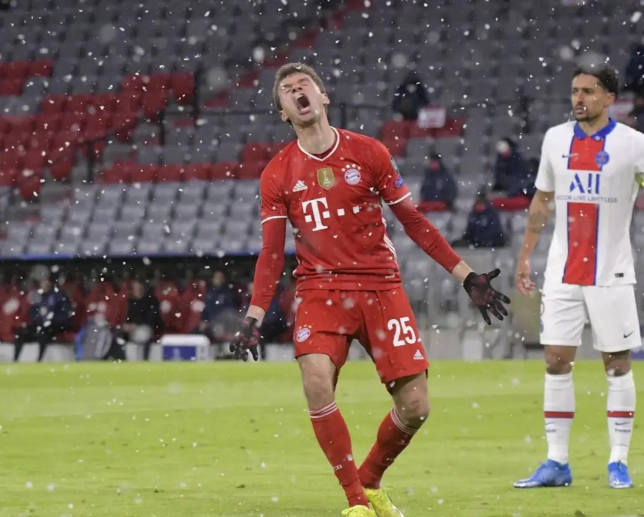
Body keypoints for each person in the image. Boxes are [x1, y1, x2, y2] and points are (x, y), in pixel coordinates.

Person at [229, 62, 510, 517]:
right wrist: (254, 315)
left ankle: (371, 480)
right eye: (288, 90)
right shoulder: (277, 174)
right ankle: (356, 501)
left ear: (323, 96)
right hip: (320, 290)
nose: (298, 92)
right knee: (315, 381)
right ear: (283, 111)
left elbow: (413, 222)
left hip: (381, 287)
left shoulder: (368, 152)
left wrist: (466, 276)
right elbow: (271, 254)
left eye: (305, 85)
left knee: (416, 406)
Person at [513, 64, 644, 490]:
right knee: (555, 361)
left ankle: (618, 461)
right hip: (562, 271)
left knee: (616, 364)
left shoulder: (633, 144)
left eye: (589, 91)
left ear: (610, 98)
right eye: (575, 91)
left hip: (610, 271)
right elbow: (541, 202)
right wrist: (525, 257)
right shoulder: (555, 139)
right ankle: (556, 462)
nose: (579, 99)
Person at [14, 276, 72, 361]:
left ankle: (39, 360)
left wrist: (52, 321)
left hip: (53, 326)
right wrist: (33, 323)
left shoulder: (59, 296)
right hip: (39, 325)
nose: (46, 284)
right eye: (44, 282)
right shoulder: (37, 296)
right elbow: (33, 312)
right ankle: (15, 360)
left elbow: (65, 314)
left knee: (44, 334)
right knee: (21, 333)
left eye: (48, 282)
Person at [117, 278, 164, 360]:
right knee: (121, 335)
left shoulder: (151, 301)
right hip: (131, 331)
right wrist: (126, 325)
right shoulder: (130, 302)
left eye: (138, 288)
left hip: (148, 328)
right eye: (134, 288)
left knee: (141, 333)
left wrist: (135, 325)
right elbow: (127, 317)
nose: (135, 290)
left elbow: (152, 319)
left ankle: (143, 359)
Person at [197, 270, 237, 342]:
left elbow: (229, 312)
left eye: (220, 277)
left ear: (224, 279)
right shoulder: (209, 293)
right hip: (210, 324)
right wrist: (204, 320)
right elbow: (206, 308)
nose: (218, 279)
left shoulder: (228, 294)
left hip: (222, 324)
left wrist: (221, 323)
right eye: (216, 277)